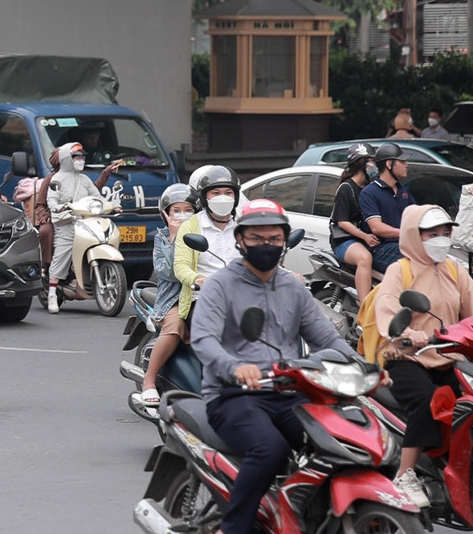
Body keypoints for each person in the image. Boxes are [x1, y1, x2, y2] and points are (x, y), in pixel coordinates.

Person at [191, 199, 378, 534]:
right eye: (258, 238)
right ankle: (232, 528)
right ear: (241, 240)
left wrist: (365, 369)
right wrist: (235, 367)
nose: (267, 245)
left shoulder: (293, 286)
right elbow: (204, 340)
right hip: (234, 394)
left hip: (290, 390)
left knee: (341, 442)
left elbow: (328, 339)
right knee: (269, 449)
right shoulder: (220, 285)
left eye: (274, 239)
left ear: (284, 241)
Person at [373, 205, 473, 508]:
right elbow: (388, 310)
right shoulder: (399, 270)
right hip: (407, 358)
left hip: (447, 357)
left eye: (446, 232)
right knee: (429, 399)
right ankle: (405, 475)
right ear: (414, 236)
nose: (442, 238)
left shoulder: (455, 269)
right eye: (433, 233)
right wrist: (407, 335)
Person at [139, 183, 197, 405]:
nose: (182, 215)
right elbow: (168, 273)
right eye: (176, 210)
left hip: (204, 294)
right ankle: (149, 381)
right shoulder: (162, 238)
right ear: (166, 214)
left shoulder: (204, 233)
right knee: (175, 328)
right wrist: (175, 238)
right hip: (173, 297)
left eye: (188, 210)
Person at [173, 165, 243, 323]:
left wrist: (287, 275)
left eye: (228, 193)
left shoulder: (244, 227)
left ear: (236, 197)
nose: (222, 198)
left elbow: (260, 257)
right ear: (205, 198)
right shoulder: (191, 226)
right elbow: (180, 266)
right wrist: (198, 279)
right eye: (216, 193)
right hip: (203, 299)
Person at [45, 142, 104, 312]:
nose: (80, 160)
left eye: (82, 157)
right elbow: (51, 200)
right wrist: (58, 207)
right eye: (76, 157)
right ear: (66, 159)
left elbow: (97, 196)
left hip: (85, 221)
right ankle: (51, 293)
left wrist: (111, 205)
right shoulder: (57, 179)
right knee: (62, 254)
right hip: (66, 222)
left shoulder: (85, 179)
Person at [328, 142, 381, 299]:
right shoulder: (346, 188)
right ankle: (365, 307)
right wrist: (365, 236)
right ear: (361, 163)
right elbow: (342, 221)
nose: (374, 165)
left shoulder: (369, 187)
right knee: (365, 258)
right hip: (344, 241)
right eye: (371, 161)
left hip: (366, 238)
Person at [359, 142, 416, 273]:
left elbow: (417, 214)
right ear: (389, 164)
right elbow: (376, 227)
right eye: (402, 161)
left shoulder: (403, 190)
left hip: (404, 244)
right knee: (417, 261)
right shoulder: (370, 193)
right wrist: (405, 233)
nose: (406, 165)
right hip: (382, 249)